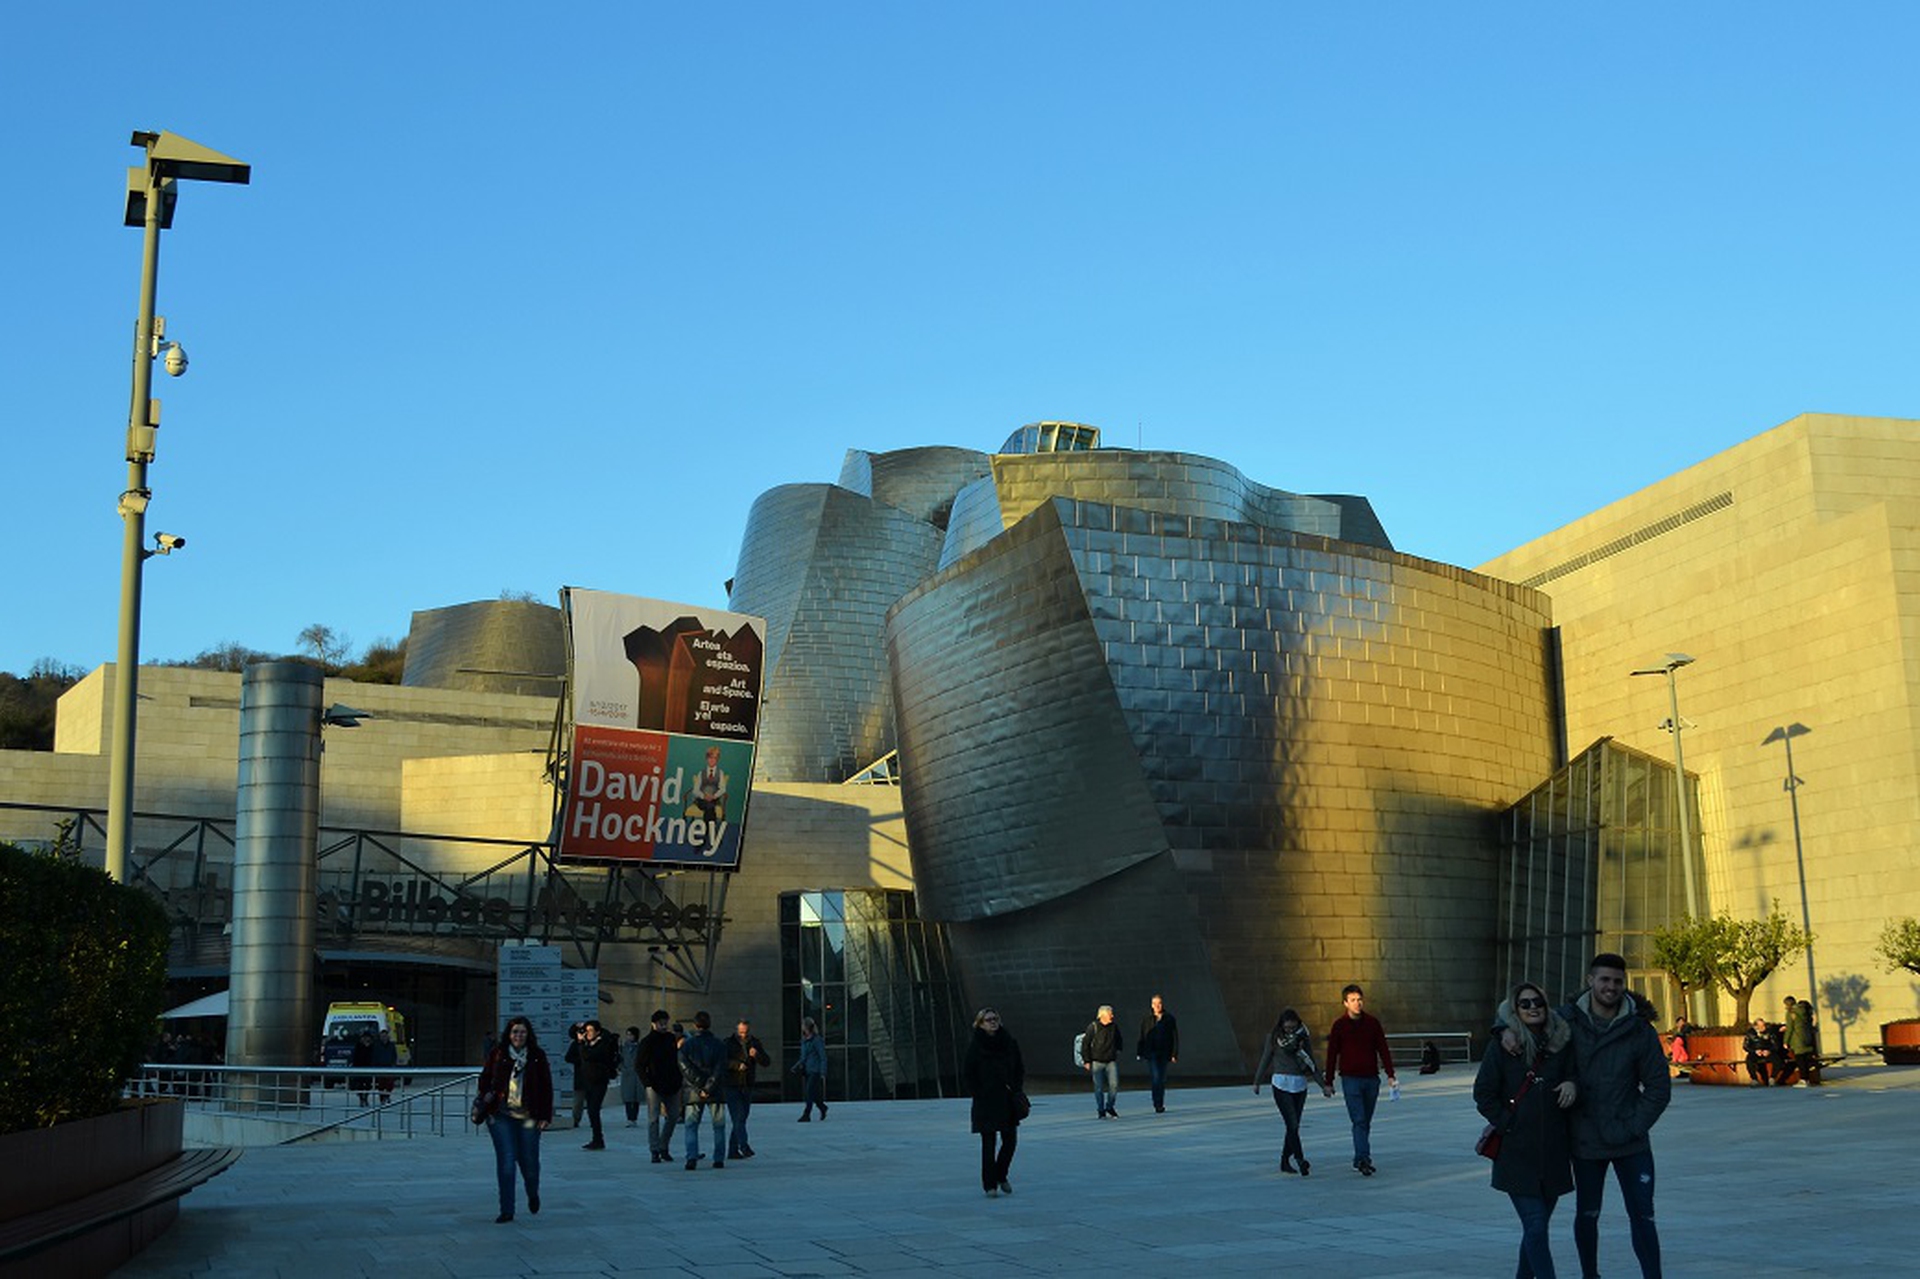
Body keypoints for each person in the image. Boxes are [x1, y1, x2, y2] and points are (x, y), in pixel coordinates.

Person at [1501, 952, 1670, 1278]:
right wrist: (1502, 1030)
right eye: (1604, 979)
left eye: (1617, 981)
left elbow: (1659, 1088)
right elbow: (1523, 1016)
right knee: (1587, 1214)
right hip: (1584, 1140)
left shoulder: (1639, 1029)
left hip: (1630, 1141)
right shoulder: (1565, 1021)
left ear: (1625, 985)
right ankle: (1590, 1275)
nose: (1611, 987)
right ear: (1590, 981)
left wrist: (1634, 1126)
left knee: (1643, 1216)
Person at [1474, 982, 1579, 1279]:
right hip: (1517, 1153)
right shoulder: (1504, 1046)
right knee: (1534, 1224)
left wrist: (1573, 1083)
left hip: (1554, 1153)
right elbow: (1483, 1093)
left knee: (1537, 1228)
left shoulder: (1561, 1042)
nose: (1533, 1008)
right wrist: (1508, 1123)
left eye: (1538, 1003)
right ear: (1515, 1010)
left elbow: (1575, 1073)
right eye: (1525, 1004)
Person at [476, 1015, 553, 1224]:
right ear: (508, 1035)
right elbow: (484, 1081)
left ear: (528, 1035)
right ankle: (507, 1209)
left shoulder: (537, 1056)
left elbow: (546, 1087)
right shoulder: (498, 1054)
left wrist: (545, 1116)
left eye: (522, 1032)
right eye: (515, 1032)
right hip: (501, 1115)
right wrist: (487, 1101)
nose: (518, 1036)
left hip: (529, 1116)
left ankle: (532, 1192)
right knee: (507, 1161)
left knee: (529, 1162)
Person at [1320, 983, 1397, 1176]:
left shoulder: (1372, 1023)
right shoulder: (1340, 1026)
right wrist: (1328, 1082)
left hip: (1371, 1078)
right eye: (1353, 1000)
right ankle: (1364, 1158)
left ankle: (1359, 1157)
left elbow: (1383, 1048)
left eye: (1359, 999)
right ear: (1345, 1003)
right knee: (1359, 1120)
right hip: (1351, 1079)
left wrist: (1390, 1074)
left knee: (1365, 1121)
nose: (1357, 1003)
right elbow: (1332, 1055)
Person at [962, 1007, 1024, 1198]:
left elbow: (1019, 1066)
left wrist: (1016, 1088)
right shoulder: (975, 1046)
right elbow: (969, 1072)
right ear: (980, 1024)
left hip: (1006, 1098)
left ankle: (1001, 1174)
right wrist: (978, 1093)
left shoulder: (1009, 1042)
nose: (992, 1022)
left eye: (995, 1019)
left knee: (1010, 1141)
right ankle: (990, 1185)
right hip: (986, 1100)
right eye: (988, 1020)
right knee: (988, 1144)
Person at [1252, 1008, 1317, 1175]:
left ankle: (1284, 1160)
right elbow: (1266, 1058)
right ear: (1281, 1026)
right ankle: (1300, 1160)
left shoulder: (1303, 1038)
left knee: (1293, 1126)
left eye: (1293, 1028)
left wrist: (1323, 1084)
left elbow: (1310, 1061)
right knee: (1292, 1124)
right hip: (1281, 1084)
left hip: (1299, 1085)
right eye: (1287, 1028)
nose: (1290, 1030)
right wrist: (1257, 1081)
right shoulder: (1274, 1038)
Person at [679, 1011, 728, 1169]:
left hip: (693, 1090)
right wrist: (709, 1086)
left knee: (691, 1125)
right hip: (715, 1091)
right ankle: (718, 1159)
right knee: (718, 1126)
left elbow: (684, 1067)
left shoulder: (688, 1045)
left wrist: (700, 1086)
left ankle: (691, 1157)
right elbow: (720, 1069)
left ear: (695, 1025)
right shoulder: (719, 1045)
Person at [637, 1009, 683, 1163]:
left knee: (674, 1116)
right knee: (653, 1118)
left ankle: (664, 1145)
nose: (664, 1026)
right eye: (660, 1023)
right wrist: (647, 1083)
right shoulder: (647, 1042)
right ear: (653, 1024)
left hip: (672, 1083)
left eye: (665, 1023)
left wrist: (679, 1078)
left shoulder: (671, 1038)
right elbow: (639, 1065)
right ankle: (655, 1149)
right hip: (654, 1084)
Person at [565, 1019, 618, 1149]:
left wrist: (582, 1044)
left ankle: (598, 1138)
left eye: (590, 1031)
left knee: (594, 1109)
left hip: (599, 1080)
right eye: (586, 1031)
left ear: (598, 1032)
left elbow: (589, 1055)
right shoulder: (586, 1043)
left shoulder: (603, 1043)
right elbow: (572, 1036)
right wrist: (578, 1028)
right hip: (587, 1080)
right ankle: (597, 1138)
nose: (587, 1033)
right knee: (591, 1110)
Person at [724, 1019, 769, 1160]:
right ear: (736, 1030)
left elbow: (766, 1062)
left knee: (741, 1119)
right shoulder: (728, 1043)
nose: (744, 1035)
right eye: (741, 1032)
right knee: (738, 1118)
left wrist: (757, 1055)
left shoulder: (754, 1042)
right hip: (732, 1085)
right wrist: (736, 1065)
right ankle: (744, 1146)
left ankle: (732, 1150)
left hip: (747, 1085)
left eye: (746, 1032)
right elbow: (722, 1062)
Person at [1135, 994, 1180, 1113]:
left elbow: (1174, 1037)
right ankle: (1157, 1103)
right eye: (1155, 1004)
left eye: (1159, 1003)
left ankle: (1160, 1102)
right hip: (1152, 1052)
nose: (1157, 1006)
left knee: (1162, 1078)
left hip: (1165, 1052)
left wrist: (1174, 1053)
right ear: (1151, 1005)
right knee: (1156, 1078)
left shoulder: (1169, 1018)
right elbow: (1143, 1035)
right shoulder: (1147, 1019)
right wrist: (1140, 1052)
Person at [1080, 1004, 1125, 1119]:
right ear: (1103, 1015)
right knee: (1098, 1087)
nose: (1113, 1016)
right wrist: (1086, 1061)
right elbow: (1085, 1044)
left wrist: (1117, 1050)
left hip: (1111, 1061)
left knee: (1114, 1085)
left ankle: (1109, 1106)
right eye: (1111, 1014)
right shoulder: (1093, 1026)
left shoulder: (1114, 1026)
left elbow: (1119, 1039)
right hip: (1096, 1062)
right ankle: (1101, 1110)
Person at [794, 1017, 828, 1121]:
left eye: (803, 1026)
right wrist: (796, 1066)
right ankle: (822, 1107)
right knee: (814, 1094)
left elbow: (823, 1056)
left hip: (815, 1070)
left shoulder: (817, 1040)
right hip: (808, 1070)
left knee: (809, 1092)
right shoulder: (804, 1041)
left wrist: (823, 1072)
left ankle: (806, 1114)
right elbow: (803, 1057)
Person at [1782, 996, 1820, 1085]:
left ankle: (1803, 1079)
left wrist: (1785, 1041)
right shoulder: (1806, 1011)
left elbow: (1790, 1028)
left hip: (1797, 1038)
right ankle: (1807, 1079)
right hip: (1807, 1037)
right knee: (1806, 1059)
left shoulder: (1791, 1013)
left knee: (1800, 1060)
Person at [1744, 1015, 1784, 1087]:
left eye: (1764, 1025)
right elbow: (1746, 1046)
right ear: (1756, 1026)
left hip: (1768, 1051)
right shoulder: (1750, 1033)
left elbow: (1776, 1045)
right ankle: (1754, 1079)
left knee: (1778, 1060)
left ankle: (1772, 1078)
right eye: (1761, 1026)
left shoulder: (1770, 1032)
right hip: (1755, 1052)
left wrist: (1769, 1051)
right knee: (1749, 1060)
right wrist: (1755, 1051)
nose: (1763, 1027)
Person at [618, 1025, 643, 1127]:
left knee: (636, 1098)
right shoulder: (624, 1047)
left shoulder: (640, 1047)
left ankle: (634, 1118)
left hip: (637, 1074)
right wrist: (622, 1067)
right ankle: (629, 1118)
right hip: (627, 1074)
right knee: (628, 1097)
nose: (629, 1037)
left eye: (631, 1035)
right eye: (627, 1035)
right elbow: (620, 1059)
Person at [373, 1029, 399, 1105]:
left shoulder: (391, 1045)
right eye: (382, 1036)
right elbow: (375, 1056)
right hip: (380, 1066)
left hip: (389, 1066)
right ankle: (382, 1099)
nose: (384, 1038)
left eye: (385, 1036)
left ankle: (387, 1096)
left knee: (390, 1083)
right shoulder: (377, 1045)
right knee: (381, 1084)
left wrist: (394, 1064)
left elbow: (394, 1055)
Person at [350, 1030, 376, 1107]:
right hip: (359, 1067)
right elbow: (355, 1057)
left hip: (369, 1068)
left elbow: (373, 1056)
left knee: (368, 1084)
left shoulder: (372, 1046)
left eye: (367, 1037)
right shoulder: (358, 1046)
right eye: (364, 1037)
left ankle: (366, 1097)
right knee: (360, 1085)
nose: (366, 1039)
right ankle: (361, 1098)